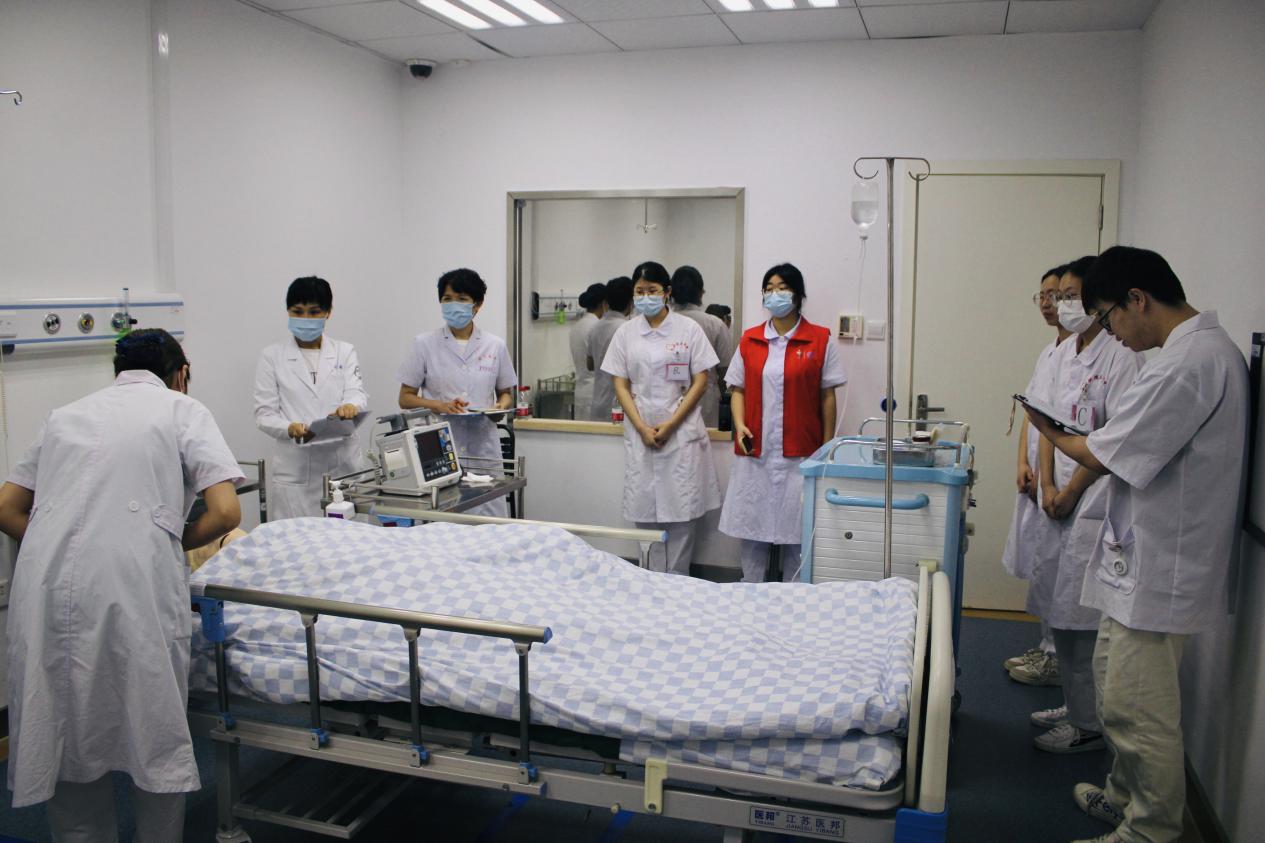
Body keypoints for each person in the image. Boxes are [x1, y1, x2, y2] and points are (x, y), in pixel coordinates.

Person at [1023, 246, 1248, 843]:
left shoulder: (1188, 364)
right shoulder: (1190, 354)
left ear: (1137, 300)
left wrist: (1046, 427)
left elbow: (1102, 452)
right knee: (1115, 686)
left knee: (1139, 709)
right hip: (1142, 559)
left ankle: (1151, 829)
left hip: (1162, 567)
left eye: (1109, 316)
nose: (1112, 332)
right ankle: (1124, 796)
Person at [0, 329, 244, 843]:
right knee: (151, 720)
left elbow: (6, 508)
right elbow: (226, 512)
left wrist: (59, 543)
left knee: (63, 717)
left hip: (45, 582)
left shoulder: (65, 415)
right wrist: (167, 542)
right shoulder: (182, 409)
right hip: (133, 580)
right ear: (181, 373)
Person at [1027, 256, 1144, 755]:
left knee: (1083, 624)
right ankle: (1076, 706)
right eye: (1059, 296)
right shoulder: (1064, 354)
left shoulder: (1122, 358)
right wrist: (1047, 486)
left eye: (1073, 296)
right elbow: (1045, 423)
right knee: (1061, 614)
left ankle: (1088, 724)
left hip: (1093, 502)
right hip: (1058, 499)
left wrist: (1071, 491)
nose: (1063, 305)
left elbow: (1114, 441)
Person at [718, 263, 846, 583]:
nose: (775, 294)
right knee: (752, 533)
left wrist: (827, 448)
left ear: (798, 294)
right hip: (756, 452)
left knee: (797, 535)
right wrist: (740, 424)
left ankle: (794, 598)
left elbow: (827, 397)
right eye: (769, 288)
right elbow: (737, 389)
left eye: (783, 288)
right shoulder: (750, 339)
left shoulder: (819, 340)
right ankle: (751, 593)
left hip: (801, 454)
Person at [601, 261, 721, 575]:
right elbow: (620, 383)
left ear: (667, 292)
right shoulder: (626, 332)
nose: (646, 297)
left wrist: (672, 424)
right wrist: (641, 426)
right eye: (639, 291)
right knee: (646, 515)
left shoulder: (688, 330)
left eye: (652, 291)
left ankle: (677, 583)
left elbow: (701, 379)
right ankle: (649, 582)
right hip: (641, 432)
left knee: (682, 514)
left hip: (681, 433)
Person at [398, 268, 517, 517]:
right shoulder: (424, 344)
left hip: (483, 445)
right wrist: (439, 405)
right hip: (438, 445)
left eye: (462, 299)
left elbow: (506, 393)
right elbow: (405, 398)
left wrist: (499, 407)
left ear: (477, 304)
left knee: (488, 519)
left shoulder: (494, 345)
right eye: (447, 299)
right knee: (444, 518)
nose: (454, 305)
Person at [1001, 265, 1069, 684]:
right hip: (1040, 476)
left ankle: (1058, 656)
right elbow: (1033, 410)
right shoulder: (1050, 352)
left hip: (1061, 480)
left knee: (1060, 571)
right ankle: (1047, 647)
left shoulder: (1080, 354)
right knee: (1044, 567)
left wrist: (1048, 478)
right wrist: (1022, 463)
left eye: (1058, 295)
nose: (1047, 303)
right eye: (1042, 295)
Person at [254, 276, 369, 519]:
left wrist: (350, 406)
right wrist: (289, 428)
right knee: (297, 535)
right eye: (298, 312)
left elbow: (356, 392)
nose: (305, 319)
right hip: (296, 468)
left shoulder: (344, 351)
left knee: (345, 535)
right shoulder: (271, 356)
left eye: (314, 312)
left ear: (328, 312)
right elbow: (264, 414)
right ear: (288, 311)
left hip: (341, 464)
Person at [669, 266, 735, 428]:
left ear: (671, 292)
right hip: (706, 402)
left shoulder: (662, 323)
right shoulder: (715, 324)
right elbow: (725, 370)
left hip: (668, 398)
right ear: (701, 293)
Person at [586, 276, 632, 421]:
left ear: (607, 302)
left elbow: (590, 365)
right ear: (631, 302)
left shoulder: (595, 327)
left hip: (598, 404)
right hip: (618, 406)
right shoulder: (627, 329)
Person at [570, 282, 607, 421]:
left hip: (581, 391)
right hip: (596, 392)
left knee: (582, 433)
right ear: (604, 304)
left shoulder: (576, 326)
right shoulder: (597, 327)